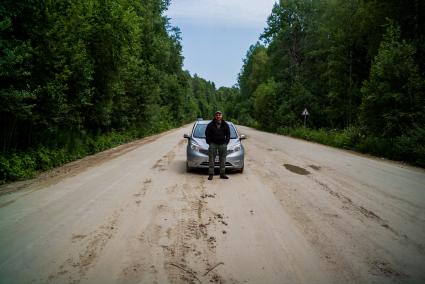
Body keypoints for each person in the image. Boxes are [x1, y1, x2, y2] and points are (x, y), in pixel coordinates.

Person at [205, 111, 230, 180]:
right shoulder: (210, 124)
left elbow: (228, 134)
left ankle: (222, 174)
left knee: (223, 159)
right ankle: (211, 174)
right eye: (217, 115)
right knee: (211, 159)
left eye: (219, 115)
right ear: (215, 116)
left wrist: (226, 142)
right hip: (213, 144)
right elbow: (207, 134)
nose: (218, 116)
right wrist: (209, 142)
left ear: (222, 116)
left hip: (223, 144)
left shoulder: (225, 124)